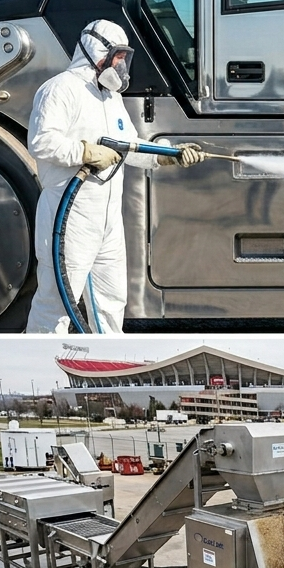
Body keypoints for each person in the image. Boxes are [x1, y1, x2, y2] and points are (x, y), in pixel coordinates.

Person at [26, 20, 203, 334]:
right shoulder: (61, 89)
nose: (122, 64)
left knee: (111, 301)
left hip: (107, 218)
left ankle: (108, 359)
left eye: (124, 57)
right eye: (118, 56)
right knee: (58, 302)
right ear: (97, 51)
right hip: (69, 215)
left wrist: (167, 155)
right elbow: (41, 142)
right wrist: (86, 152)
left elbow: (130, 146)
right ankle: (40, 361)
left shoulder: (111, 98)